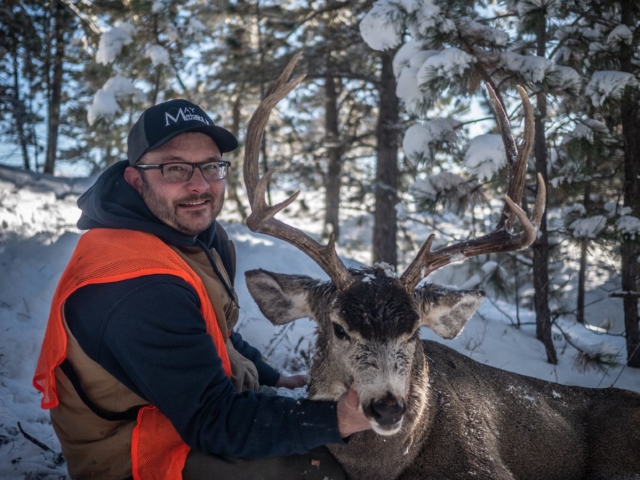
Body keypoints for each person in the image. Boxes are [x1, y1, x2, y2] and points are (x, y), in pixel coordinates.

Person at [33, 99, 371, 480]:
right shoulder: (137, 286)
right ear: (135, 179)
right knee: (327, 471)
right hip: (140, 455)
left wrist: (270, 377)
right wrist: (335, 419)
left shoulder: (191, 238)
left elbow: (214, 333)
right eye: (175, 168)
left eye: (210, 166)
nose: (199, 185)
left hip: (183, 417)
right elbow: (212, 420)